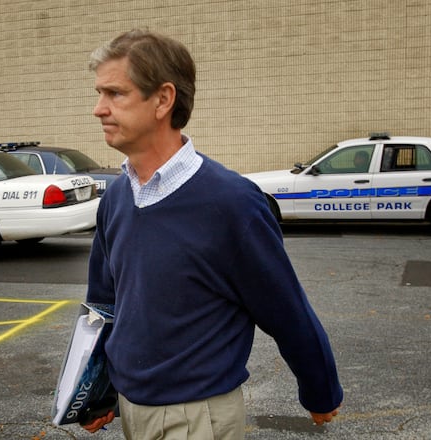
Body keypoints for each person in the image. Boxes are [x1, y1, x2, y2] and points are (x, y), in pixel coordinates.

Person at [82, 29, 343, 439]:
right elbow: (106, 306)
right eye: (99, 93)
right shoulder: (116, 197)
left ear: (163, 100)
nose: (99, 109)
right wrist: (97, 391)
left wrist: (320, 389)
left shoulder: (231, 203)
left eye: (115, 94)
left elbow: (285, 308)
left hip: (196, 417)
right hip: (132, 409)